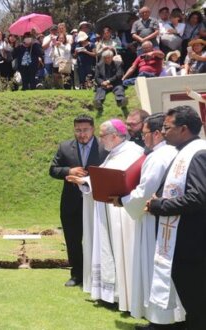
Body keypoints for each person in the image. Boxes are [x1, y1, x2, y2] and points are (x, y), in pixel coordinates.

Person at [110, 113, 184, 326]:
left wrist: (123, 201)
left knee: (156, 268)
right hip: (170, 218)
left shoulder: (158, 157)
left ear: (157, 134)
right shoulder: (173, 152)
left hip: (155, 219)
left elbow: (145, 192)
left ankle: (160, 319)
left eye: (145, 134)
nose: (142, 138)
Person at [67, 119, 144, 312]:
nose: (100, 140)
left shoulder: (132, 152)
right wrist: (84, 181)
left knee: (119, 251)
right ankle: (109, 293)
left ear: (115, 136)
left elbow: (118, 180)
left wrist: (88, 181)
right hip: (107, 211)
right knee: (107, 250)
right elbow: (102, 177)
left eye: (102, 136)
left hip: (121, 214)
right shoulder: (114, 153)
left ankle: (120, 293)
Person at [147, 106, 206, 330]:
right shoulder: (185, 150)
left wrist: (159, 205)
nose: (162, 131)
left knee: (198, 302)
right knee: (194, 303)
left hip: (194, 244)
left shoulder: (198, 153)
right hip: (185, 241)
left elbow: (199, 197)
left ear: (183, 129)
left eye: (167, 127)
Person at [49, 115, 108, 288]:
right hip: (71, 202)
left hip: (97, 201)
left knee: (98, 238)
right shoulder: (65, 147)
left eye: (85, 130)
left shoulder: (104, 148)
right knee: (73, 240)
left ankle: (99, 274)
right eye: (78, 130)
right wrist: (69, 170)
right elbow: (53, 169)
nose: (81, 134)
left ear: (93, 129)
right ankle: (77, 274)